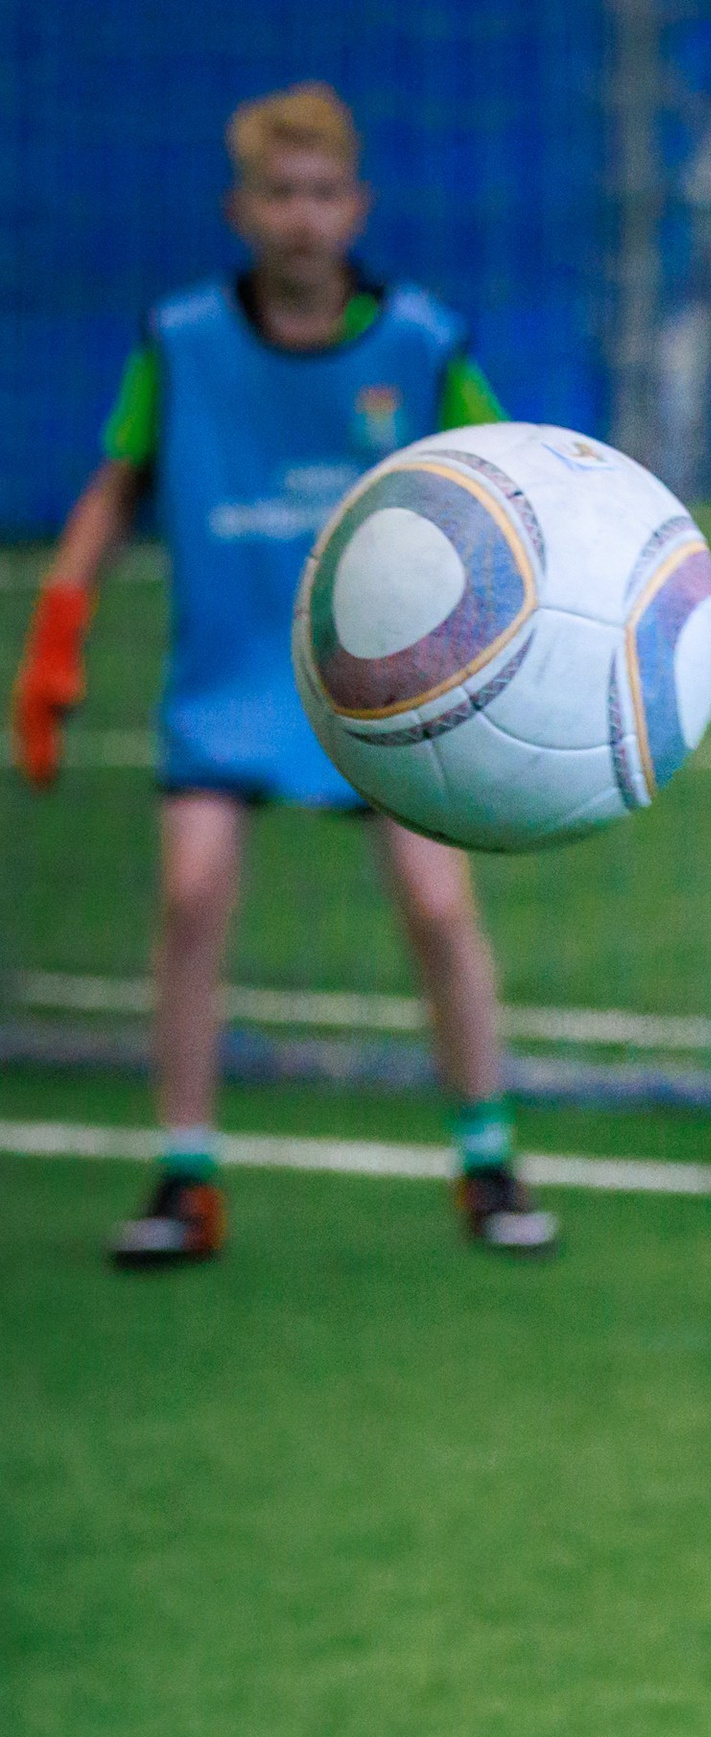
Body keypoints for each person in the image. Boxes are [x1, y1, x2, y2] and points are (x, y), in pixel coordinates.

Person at [8, 82, 557, 1270]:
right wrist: (57, 638)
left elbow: (506, 482)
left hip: (390, 687)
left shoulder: (420, 340)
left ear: (354, 203)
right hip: (234, 676)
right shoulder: (183, 340)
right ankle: (186, 1172)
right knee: (192, 898)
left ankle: (488, 1157)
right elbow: (115, 485)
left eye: (321, 193)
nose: (302, 217)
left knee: (438, 904)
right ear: (239, 210)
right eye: (278, 195)